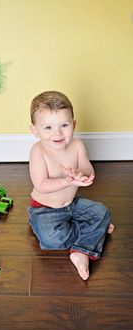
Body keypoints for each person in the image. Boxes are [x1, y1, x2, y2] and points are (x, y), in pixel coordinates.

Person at [27, 90, 114, 280]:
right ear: (35, 130)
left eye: (64, 125)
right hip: (44, 209)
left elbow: (87, 168)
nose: (57, 133)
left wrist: (84, 176)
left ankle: (80, 252)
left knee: (103, 212)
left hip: (72, 203)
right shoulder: (38, 151)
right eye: (48, 127)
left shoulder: (77, 145)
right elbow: (41, 185)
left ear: (73, 125)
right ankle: (93, 231)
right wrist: (67, 180)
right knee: (52, 239)